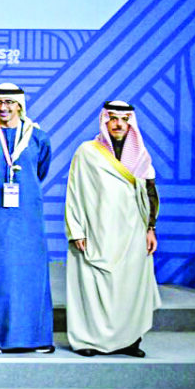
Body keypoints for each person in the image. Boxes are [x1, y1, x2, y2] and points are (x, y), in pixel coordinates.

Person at [66, 100, 160, 357]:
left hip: (132, 232)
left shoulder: (140, 155)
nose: (119, 124)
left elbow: (150, 194)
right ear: (104, 120)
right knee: (94, 287)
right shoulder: (87, 152)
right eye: (113, 118)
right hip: (96, 230)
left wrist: (150, 228)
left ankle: (129, 341)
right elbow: (74, 192)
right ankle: (88, 340)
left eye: (124, 119)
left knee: (130, 288)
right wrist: (77, 230)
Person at [0, 84, 54, 354]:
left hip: (28, 220)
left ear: (20, 105)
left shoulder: (38, 137)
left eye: (9, 103)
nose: (3, 108)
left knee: (29, 275)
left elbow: (40, 171)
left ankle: (35, 337)